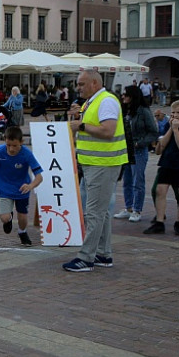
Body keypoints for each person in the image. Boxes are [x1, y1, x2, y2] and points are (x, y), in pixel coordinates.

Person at [63, 69, 128, 270]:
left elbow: (108, 131)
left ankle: (86, 257)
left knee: (94, 212)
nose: (78, 88)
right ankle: (103, 253)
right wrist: (78, 119)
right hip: (94, 163)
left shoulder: (106, 101)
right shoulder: (92, 101)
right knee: (101, 212)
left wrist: (80, 125)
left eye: (82, 84)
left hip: (103, 163)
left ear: (94, 83)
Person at [0, 126, 44, 246]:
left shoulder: (27, 154)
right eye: (8, 145)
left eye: (15, 145)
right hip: (4, 189)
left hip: (22, 190)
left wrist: (30, 186)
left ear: (21, 142)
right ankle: (8, 219)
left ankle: (22, 232)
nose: (11, 149)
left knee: (23, 218)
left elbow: (39, 177)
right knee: (4, 217)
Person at [114, 85, 158, 223]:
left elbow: (153, 132)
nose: (123, 96)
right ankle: (128, 208)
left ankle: (137, 209)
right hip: (125, 149)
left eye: (125, 94)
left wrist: (140, 143)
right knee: (126, 180)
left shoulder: (143, 111)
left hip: (138, 149)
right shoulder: (125, 111)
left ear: (132, 96)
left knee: (137, 181)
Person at [143, 100, 179, 236]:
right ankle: (159, 222)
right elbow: (162, 144)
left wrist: (176, 130)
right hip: (167, 162)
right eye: (173, 113)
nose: (175, 115)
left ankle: (178, 222)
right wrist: (171, 128)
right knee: (160, 190)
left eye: (178, 113)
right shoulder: (168, 126)